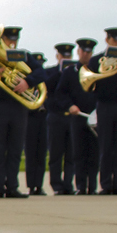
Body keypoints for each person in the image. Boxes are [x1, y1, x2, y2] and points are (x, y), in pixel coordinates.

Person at [0, 27, 46, 198]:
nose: (12, 43)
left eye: (15, 40)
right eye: (8, 40)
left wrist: (27, 82)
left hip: (18, 107)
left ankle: (13, 186)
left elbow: (41, 72)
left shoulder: (24, 55)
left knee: (15, 148)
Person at [91, 27, 117, 195]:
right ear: (107, 40)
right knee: (106, 146)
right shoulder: (97, 60)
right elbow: (91, 84)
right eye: (114, 40)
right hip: (104, 105)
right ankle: (106, 184)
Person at [56, 39, 99, 195]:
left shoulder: (97, 71)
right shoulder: (70, 72)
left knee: (94, 153)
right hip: (77, 116)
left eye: (89, 52)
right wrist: (69, 106)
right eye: (83, 51)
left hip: (94, 117)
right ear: (79, 52)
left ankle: (92, 187)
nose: (86, 54)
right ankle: (81, 186)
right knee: (78, 152)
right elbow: (61, 93)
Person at [44, 43, 76, 195]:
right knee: (55, 153)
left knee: (71, 154)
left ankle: (68, 184)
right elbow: (46, 86)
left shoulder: (75, 72)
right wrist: (61, 73)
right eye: (63, 56)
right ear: (58, 56)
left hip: (71, 116)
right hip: (55, 116)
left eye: (68, 56)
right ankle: (56, 184)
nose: (66, 58)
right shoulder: (51, 72)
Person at [24, 51, 49, 195]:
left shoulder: (44, 80)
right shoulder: (28, 81)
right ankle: (31, 185)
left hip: (43, 116)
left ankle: (39, 185)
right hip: (30, 117)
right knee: (31, 152)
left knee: (41, 152)